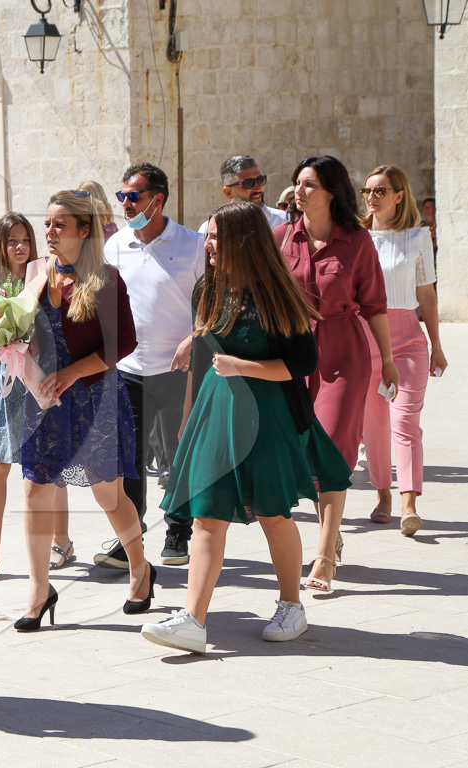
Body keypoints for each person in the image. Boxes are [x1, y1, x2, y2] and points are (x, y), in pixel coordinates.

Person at [140, 202, 352, 654]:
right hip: (216, 412)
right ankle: (192, 620)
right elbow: (204, 358)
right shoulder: (208, 288)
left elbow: (302, 363)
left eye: (217, 236)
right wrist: (189, 418)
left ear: (243, 240)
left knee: (272, 513)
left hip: (269, 416)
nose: (208, 244)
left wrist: (242, 366)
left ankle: (291, 606)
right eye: (208, 235)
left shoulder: (277, 294)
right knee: (206, 515)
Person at [16, 190, 148, 632]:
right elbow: (25, 330)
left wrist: (72, 373)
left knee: (108, 497)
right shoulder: (37, 273)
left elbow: (124, 342)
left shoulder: (106, 279)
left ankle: (139, 569)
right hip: (46, 402)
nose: (49, 232)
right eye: (47, 223)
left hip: (95, 399)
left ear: (84, 230)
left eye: (59, 224)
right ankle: (39, 590)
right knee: (35, 492)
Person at [277, 155, 397, 595]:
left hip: (344, 353)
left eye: (309, 184)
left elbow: (375, 305)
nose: (299, 191)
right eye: (297, 183)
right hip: (293, 353)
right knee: (304, 453)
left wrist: (387, 359)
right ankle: (333, 530)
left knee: (332, 448)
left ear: (331, 191)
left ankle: (325, 554)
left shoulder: (357, 241)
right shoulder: (280, 238)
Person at [100, 163, 204, 569]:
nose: (125, 204)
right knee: (129, 459)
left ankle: (178, 531)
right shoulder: (115, 245)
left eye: (133, 196)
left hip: (179, 372)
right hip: (128, 370)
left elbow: (212, 302)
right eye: (121, 196)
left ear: (157, 199)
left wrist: (194, 338)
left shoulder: (193, 245)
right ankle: (131, 537)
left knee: (180, 456)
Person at [0, 213, 72, 579]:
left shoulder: (45, 274)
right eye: (12, 240)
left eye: (25, 239)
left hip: (39, 379)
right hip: (3, 382)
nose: (20, 246)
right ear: (1, 244)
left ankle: (62, 541)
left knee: (48, 467)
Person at [360, 166, 447, 537]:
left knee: (405, 421)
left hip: (409, 340)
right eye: (367, 191)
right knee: (374, 425)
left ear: (399, 195)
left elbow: (426, 293)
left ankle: (409, 503)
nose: (372, 197)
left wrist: (437, 346)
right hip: (366, 339)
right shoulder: (356, 238)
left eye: (380, 191)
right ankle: (383, 495)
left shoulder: (418, 236)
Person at [197, 155, 289, 235]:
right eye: (248, 183)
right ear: (229, 192)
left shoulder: (286, 221)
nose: (258, 188)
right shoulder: (211, 229)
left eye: (260, 180)